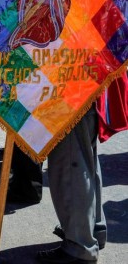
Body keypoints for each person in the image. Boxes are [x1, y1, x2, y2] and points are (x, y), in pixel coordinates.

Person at [36, 103, 108, 264]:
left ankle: (80, 244)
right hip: (84, 90)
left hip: (71, 94)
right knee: (84, 158)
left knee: (71, 162)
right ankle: (91, 230)